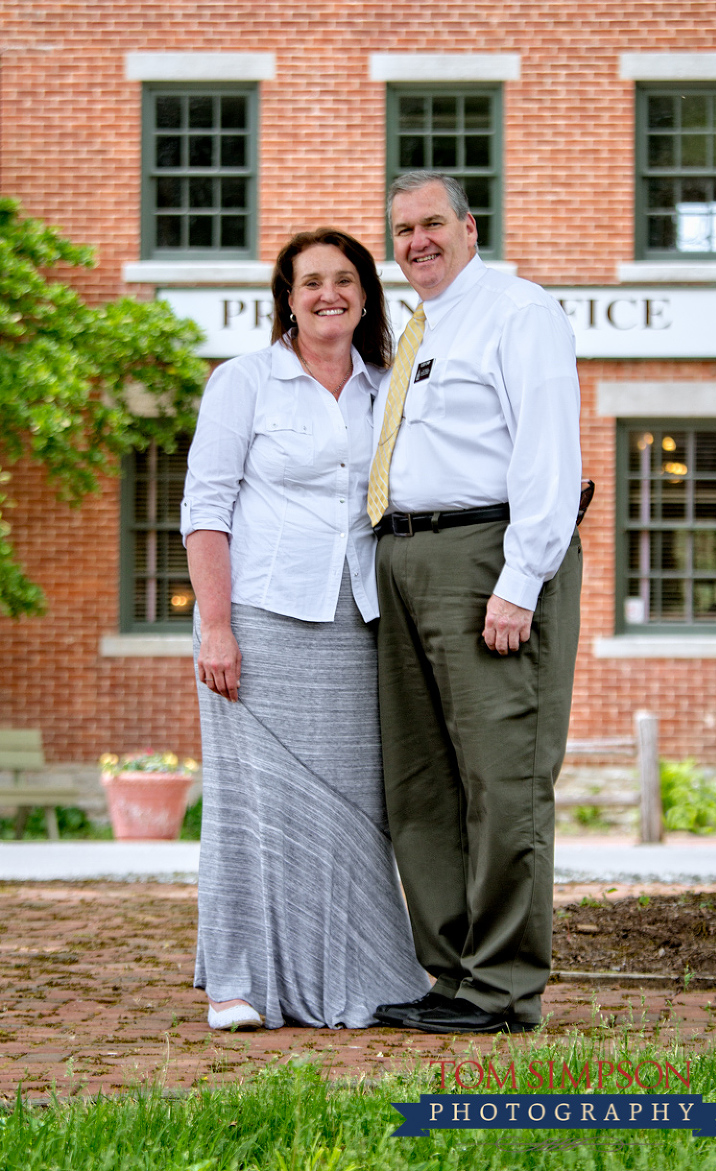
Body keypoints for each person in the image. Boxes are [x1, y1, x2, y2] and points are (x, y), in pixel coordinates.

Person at [181, 227, 429, 1031]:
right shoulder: (243, 382)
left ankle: (359, 974)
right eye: (311, 281)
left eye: (346, 278)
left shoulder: (387, 385)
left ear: (367, 293)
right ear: (287, 298)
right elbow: (205, 510)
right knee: (250, 808)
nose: (330, 293)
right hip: (254, 619)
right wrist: (214, 627)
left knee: (356, 811)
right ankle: (239, 983)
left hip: (357, 623)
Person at [369, 172, 583, 1035]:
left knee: (504, 780)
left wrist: (520, 581)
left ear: (469, 226)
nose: (416, 241)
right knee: (420, 783)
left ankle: (502, 988)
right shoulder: (416, 328)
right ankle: (453, 974)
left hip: (488, 557)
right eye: (401, 229)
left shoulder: (518, 312)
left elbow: (546, 452)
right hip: (404, 555)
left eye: (431, 224)